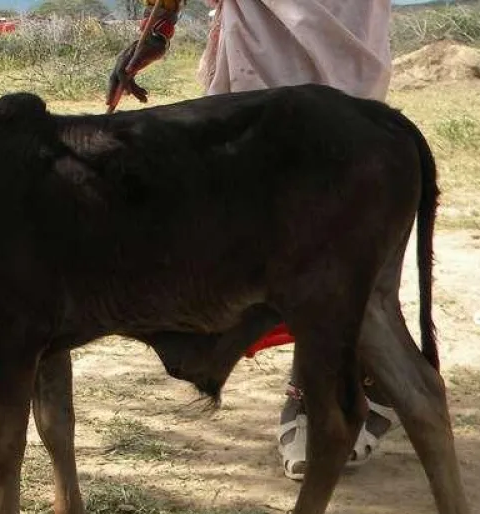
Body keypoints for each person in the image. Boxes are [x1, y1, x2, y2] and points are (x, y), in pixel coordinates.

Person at [107, 0, 400, 480]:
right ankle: (343, 376)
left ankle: (342, 381)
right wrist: (155, 30)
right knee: (272, 201)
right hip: (263, 25)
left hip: (345, 16)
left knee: (338, 189)